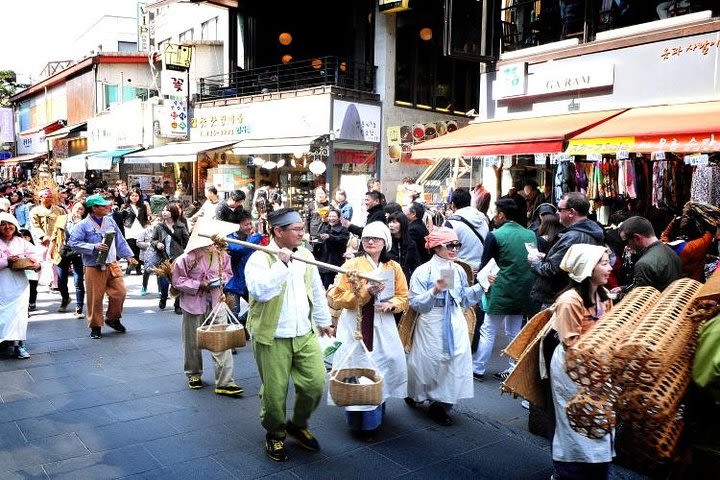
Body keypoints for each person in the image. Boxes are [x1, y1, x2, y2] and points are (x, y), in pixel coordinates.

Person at [245, 208, 334, 462]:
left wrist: (323, 320)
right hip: (272, 336)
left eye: (301, 227)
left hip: (304, 332)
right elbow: (260, 291)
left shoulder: (305, 255)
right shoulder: (260, 259)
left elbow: (316, 289)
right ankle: (275, 434)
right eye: (296, 229)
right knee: (274, 393)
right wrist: (282, 263)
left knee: (316, 384)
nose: (301, 233)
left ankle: (297, 424)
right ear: (278, 231)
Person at [328, 222, 409, 440]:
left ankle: (377, 409)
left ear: (385, 243)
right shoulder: (351, 265)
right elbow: (337, 298)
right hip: (355, 326)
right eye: (366, 239)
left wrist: (393, 305)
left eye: (376, 239)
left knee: (385, 363)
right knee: (356, 368)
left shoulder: (393, 267)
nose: (371, 242)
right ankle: (358, 421)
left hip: (383, 325)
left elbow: (403, 295)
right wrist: (365, 291)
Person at [405, 227, 485, 426]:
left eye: (457, 245)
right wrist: (434, 290)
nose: (455, 249)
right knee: (427, 360)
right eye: (450, 245)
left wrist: (482, 286)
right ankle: (415, 393)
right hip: (431, 318)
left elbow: (464, 298)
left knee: (456, 358)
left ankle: (442, 405)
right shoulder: (423, 271)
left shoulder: (458, 269)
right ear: (437, 246)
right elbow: (415, 302)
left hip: (454, 318)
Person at [549, 244, 615, 480]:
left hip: (597, 365)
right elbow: (571, 343)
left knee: (599, 419)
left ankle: (597, 470)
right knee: (574, 420)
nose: (609, 268)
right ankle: (568, 472)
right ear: (587, 268)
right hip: (572, 368)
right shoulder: (569, 300)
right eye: (604, 263)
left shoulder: (605, 297)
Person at [170, 228, 243, 397]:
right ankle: (194, 373)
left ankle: (226, 382)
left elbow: (227, 273)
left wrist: (221, 279)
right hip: (193, 303)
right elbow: (177, 280)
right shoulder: (187, 257)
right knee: (192, 340)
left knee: (222, 341)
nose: (213, 243)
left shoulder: (222, 254)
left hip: (217, 301)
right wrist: (199, 285)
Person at [472, 198, 538, 381]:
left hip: (499, 289)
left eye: (495, 212)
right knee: (514, 331)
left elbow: (485, 265)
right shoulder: (531, 235)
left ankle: (478, 368)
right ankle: (513, 368)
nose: (494, 216)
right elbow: (533, 262)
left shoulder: (495, 235)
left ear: (502, 215)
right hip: (523, 291)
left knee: (488, 329)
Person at [68, 194, 136, 339]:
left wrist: (128, 256)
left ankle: (112, 318)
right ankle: (95, 326)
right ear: (94, 208)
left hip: (112, 262)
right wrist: (93, 246)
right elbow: (73, 243)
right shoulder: (82, 225)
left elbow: (120, 240)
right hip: (93, 265)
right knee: (95, 298)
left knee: (120, 292)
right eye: (103, 206)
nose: (107, 207)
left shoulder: (110, 221)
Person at [528, 192, 605, 309]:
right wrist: (546, 257)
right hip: (570, 296)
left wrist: (535, 262)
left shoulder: (574, 236)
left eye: (560, 209)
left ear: (571, 212)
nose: (557, 213)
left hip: (559, 298)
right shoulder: (588, 233)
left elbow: (554, 270)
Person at [0, 212, 42, 359]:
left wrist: (35, 264)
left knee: (19, 315)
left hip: (19, 285)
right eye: (2, 224)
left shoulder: (21, 241)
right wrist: (7, 261)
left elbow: (37, 255)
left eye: (10, 224)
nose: (7, 227)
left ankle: (19, 345)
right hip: (2, 284)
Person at [618, 216, 682, 292]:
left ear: (637, 238)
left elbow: (640, 299)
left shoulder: (643, 264)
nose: (627, 246)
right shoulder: (670, 251)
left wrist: (616, 296)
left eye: (626, 241)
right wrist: (624, 289)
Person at [225, 210, 265, 324]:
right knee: (232, 317)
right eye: (246, 224)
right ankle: (237, 331)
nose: (249, 227)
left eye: (250, 224)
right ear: (237, 225)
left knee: (260, 307)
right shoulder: (228, 238)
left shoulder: (251, 238)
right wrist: (259, 235)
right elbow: (239, 249)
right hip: (232, 284)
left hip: (249, 281)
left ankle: (243, 323)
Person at [660, 201, 717, 282]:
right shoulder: (695, 247)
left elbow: (664, 236)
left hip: (673, 287)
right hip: (693, 286)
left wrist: (672, 223)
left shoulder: (665, 247)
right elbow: (710, 232)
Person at [152, 203, 190, 313]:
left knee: (178, 282)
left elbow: (187, 241)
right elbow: (152, 240)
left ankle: (177, 304)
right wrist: (157, 244)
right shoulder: (159, 226)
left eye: (167, 210)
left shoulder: (181, 226)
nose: (164, 212)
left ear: (173, 212)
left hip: (177, 258)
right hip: (163, 258)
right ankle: (163, 297)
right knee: (163, 282)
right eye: (163, 210)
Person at [445, 188, 490, 272]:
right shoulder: (484, 221)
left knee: (447, 285)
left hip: (459, 271)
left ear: (453, 204)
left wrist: (447, 282)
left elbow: (445, 253)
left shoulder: (451, 223)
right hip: (482, 271)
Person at [57, 201, 86, 318]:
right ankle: (65, 298)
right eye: (77, 208)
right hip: (63, 251)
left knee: (78, 281)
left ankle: (79, 308)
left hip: (78, 251)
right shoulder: (62, 219)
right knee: (61, 280)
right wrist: (50, 252)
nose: (78, 211)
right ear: (72, 208)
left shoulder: (84, 223)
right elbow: (55, 235)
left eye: (81, 209)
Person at [315, 208, 349, 289]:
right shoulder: (325, 227)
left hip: (334, 262)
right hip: (322, 261)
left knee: (330, 286)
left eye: (334, 216)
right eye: (330, 216)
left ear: (339, 218)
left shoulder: (343, 230)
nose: (331, 218)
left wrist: (330, 237)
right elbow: (318, 238)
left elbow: (342, 240)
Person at [121, 188, 151, 275]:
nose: (134, 197)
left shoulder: (143, 206)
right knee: (130, 249)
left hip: (140, 229)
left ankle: (138, 268)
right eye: (132, 195)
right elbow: (121, 218)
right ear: (129, 196)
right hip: (129, 229)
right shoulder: (124, 206)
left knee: (139, 249)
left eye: (136, 195)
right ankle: (130, 266)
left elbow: (145, 218)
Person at [387, 211, 422, 285]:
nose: (391, 225)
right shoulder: (386, 242)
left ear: (403, 224)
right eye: (390, 222)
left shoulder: (411, 243)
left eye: (394, 222)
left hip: (406, 280)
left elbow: (415, 264)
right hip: (389, 279)